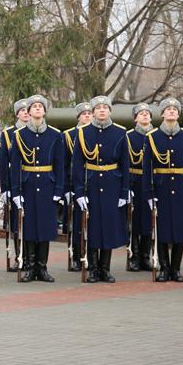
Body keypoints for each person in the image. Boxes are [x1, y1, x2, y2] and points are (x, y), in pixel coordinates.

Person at [9, 95, 66, 282]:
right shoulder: (19, 135)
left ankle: (42, 267)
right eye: (34, 106)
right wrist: (16, 191)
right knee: (29, 227)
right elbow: (15, 166)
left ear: (45, 110)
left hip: (48, 185)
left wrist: (59, 190)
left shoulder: (55, 135)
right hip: (28, 185)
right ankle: (30, 267)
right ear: (29, 111)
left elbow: (60, 165)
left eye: (41, 106)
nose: (38, 109)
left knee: (45, 228)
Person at [72, 96, 128, 283]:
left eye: (105, 107)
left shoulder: (120, 133)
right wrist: (79, 191)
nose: (102, 110)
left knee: (109, 227)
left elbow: (124, 165)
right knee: (92, 227)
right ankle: (93, 269)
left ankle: (105, 268)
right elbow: (77, 164)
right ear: (93, 111)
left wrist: (124, 191)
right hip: (91, 184)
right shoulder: (83, 133)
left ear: (110, 111)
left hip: (112, 184)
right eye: (98, 108)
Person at [143, 98, 183, 283]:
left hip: (181, 188)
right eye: (168, 109)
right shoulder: (152, 137)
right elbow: (147, 169)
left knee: (181, 231)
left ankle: (176, 269)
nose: (172, 111)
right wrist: (149, 193)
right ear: (162, 114)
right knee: (163, 231)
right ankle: (164, 268)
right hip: (161, 188)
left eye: (175, 109)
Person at [0, 98, 29, 272]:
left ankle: (30, 257)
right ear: (17, 113)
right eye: (22, 110)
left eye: (27, 110)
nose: (25, 113)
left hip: (32, 181)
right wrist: (4, 188)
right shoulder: (8, 133)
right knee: (17, 223)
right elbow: (3, 163)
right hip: (15, 182)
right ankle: (19, 257)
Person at [125, 103, 154, 272]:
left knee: (149, 221)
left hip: (149, 182)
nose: (144, 116)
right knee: (134, 222)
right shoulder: (128, 136)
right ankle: (134, 256)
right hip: (134, 181)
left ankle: (146, 256)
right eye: (141, 113)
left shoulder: (156, 136)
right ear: (135, 118)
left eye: (147, 113)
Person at [64, 102, 92, 272]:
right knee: (77, 224)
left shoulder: (97, 134)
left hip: (94, 183)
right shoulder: (69, 135)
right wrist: (67, 189)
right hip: (76, 185)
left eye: (90, 113)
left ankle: (90, 256)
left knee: (93, 223)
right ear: (78, 117)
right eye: (84, 113)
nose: (87, 116)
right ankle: (76, 256)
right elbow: (65, 165)